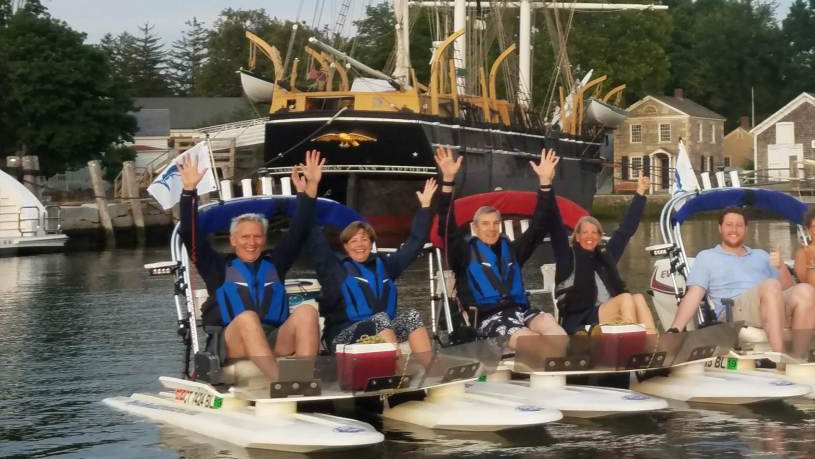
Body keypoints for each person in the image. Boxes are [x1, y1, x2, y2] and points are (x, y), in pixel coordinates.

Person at [178, 149, 324, 379]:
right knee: (248, 318)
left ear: (264, 239)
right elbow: (189, 232)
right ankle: (280, 382)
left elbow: (300, 231)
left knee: (307, 312)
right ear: (233, 240)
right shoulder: (216, 267)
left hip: (273, 338)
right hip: (234, 344)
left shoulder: (275, 264)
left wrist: (309, 191)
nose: (251, 242)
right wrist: (189, 191)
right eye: (245, 237)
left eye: (257, 237)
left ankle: (304, 379)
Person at [441, 146, 566, 347]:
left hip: (521, 312)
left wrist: (545, 183)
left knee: (551, 325)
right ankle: (545, 367)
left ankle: (563, 367)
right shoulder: (462, 254)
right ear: (475, 227)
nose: (491, 229)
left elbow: (539, 225)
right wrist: (447, 181)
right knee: (528, 338)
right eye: (485, 224)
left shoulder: (513, 251)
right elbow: (446, 226)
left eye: (495, 223)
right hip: (488, 319)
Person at [307, 177, 439, 354]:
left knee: (411, 317)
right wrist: (309, 196)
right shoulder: (334, 268)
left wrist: (425, 207)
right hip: (343, 335)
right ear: (345, 246)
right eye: (353, 241)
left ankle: (431, 372)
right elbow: (316, 240)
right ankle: (397, 376)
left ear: (371, 243)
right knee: (380, 319)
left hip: (383, 328)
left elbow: (415, 244)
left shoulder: (386, 265)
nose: (360, 245)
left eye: (364, 239)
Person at [668, 207, 815, 353]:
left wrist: (780, 267)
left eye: (739, 225)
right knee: (771, 285)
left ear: (746, 229)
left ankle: (799, 357)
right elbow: (694, 295)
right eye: (729, 225)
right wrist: (675, 330)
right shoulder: (706, 257)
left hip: (770, 304)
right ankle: (780, 357)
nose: (734, 230)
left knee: (806, 290)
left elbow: (788, 289)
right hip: (733, 310)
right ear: (720, 228)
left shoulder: (761, 255)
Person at [549, 173, 655, 334]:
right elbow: (555, 228)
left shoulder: (605, 256)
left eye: (594, 233)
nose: (590, 237)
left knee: (638, 298)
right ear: (577, 236)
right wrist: (547, 185)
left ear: (599, 237)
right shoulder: (568, 257)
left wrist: (640, 192)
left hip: (606, 311)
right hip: (581, 317)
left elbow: (625, 230)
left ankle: (653, 345)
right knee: (625, 299)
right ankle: (631, 346)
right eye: (585, 233)